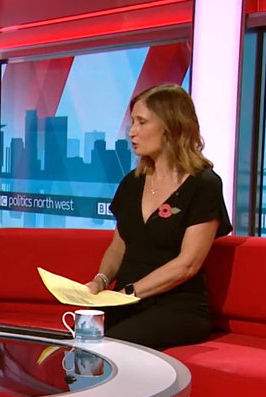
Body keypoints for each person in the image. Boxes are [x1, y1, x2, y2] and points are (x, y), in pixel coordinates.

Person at [84, 84, 232, 351]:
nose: (131, 132)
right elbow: (119, 246)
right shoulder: (132, 182)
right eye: (132, 122)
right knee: (80, 336)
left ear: (171, 126)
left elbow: (187, 264)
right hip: (125, 299)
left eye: (141, 122)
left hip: (176, 307)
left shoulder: (204, 185)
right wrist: (101, 280)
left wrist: (129, 293)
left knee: (114, 346)